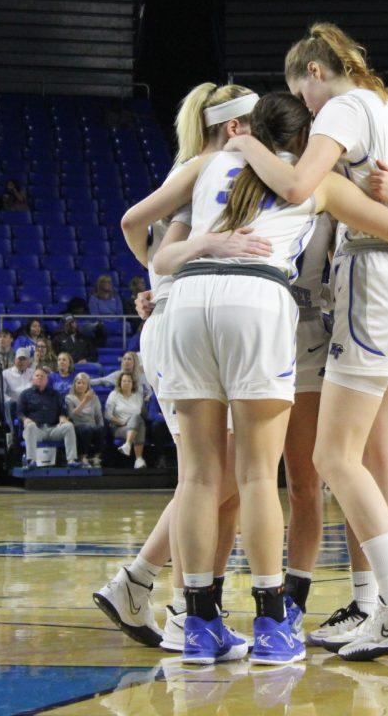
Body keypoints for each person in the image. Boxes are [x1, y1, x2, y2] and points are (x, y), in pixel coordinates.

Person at [134, 87, 388, 663]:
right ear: (304, 141)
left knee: (200, 479)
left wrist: (179, 266)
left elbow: (138, 226)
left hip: (183, 300)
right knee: (260, 476)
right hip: (258, 300)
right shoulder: (317, 183)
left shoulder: (208, 162)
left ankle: (196, 622)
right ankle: (273, 622)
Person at [224, 25, 388, 660]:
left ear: (313, 71)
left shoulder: (344, 105)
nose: (305, 110)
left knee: (334, 458)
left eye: (299, 92)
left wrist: (248, 143)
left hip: (379, 280)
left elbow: (300, 186)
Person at [94, 81, 259, 653]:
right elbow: (133, 225)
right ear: (236, 125)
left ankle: (184, 602)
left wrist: (156, 278)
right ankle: (164, 598)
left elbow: (145, 236)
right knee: (208, 477)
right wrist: (160, 282)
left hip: (186, 317)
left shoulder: (203, 165)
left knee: (229, 483)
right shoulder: (206, 167)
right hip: (184, 323)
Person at [18, 367, 78, 468]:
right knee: (30, 426)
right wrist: (25, 419)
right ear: (33, 379)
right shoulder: (25, 394)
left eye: (42, 376)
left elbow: (62, 410)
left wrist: (63, 417)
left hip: (53, 429)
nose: (39, 378)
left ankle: (71, 460)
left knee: (69, 426)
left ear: (47, 380)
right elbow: (19, 412)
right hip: (36, 430)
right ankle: (31, 460)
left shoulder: (55, 394)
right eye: (37, 376)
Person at [105, 370, 147, 468]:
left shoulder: (137, 396)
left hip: (133, 426)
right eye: (124, 381)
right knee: (139, 423)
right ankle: (138, 458)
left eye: (129, 381)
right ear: (120, 382)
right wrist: (122, 422)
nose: (126, 383)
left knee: (137, 420)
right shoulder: (114, 395)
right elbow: (107, 415)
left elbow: (142, 413)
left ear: (133, 383)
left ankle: (128, 446)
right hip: (119, 427)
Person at [66, 372, 104, 467]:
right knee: (86, 429)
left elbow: (99, 415)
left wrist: (101, 426)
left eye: (84, 383)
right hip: (77, 425)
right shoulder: (69, 398)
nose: (81, 385)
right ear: (74, 384)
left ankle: (96, 457)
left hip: (92, 424)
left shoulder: (94, 398)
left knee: (100, 428)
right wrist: (85, 400)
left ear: (88, 386)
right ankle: (83, 457)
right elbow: (72, 416)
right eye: (78, 383)